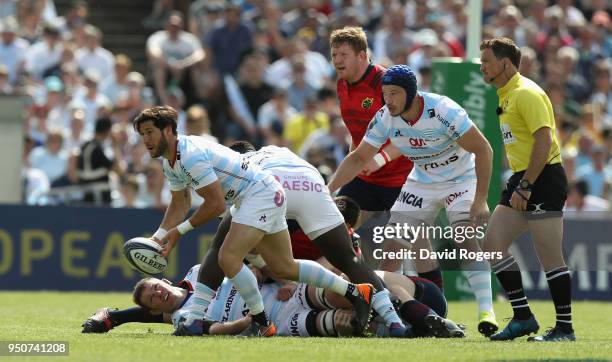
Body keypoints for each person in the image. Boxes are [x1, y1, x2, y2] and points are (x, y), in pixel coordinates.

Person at [133, 106, 373, 337]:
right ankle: (355, 292)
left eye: (150, 132)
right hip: (261, 193)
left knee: (227, 258)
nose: (146, 140)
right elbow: (180, 203)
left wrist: (178, 231)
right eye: (143, 134)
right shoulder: (171, 161)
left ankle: (260, 321)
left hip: (258, 194)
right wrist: (158, 237)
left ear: (168, 131)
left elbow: (215, 205)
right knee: (284, 267)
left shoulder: (189, 155)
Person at [327, 64, 498, 337]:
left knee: (463, 234)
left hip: (460, 180)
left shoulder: (443, 110)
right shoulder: (385, 117)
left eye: (394, 94)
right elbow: (359, 157)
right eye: (385, 94)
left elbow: (484, 149)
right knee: (392, 251)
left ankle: (486, 311)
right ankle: (393, 318)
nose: (388, 100)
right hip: (421, 182)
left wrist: (480, 199)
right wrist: (330, 189)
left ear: (411, 94)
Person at [175, 141, 412, 337]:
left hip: (269, 186)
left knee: (221, 251)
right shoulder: (277, 150)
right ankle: (393, 320)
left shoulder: (241, 169)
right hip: (309, 182)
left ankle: (196, 318)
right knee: (341, 260)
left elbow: (243, 244)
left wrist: (178, 230)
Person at [479, 37, 575, 342]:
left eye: (486, 62)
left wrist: (526, 185)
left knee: (549, 257)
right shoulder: (506, 94)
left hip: (542, 178)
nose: (482, 67)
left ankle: (564, 328)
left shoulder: (526, 93)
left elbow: (544, 142)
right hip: (524, 178)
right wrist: (521, 183)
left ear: (505, 63)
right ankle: (523, 317)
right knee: (492, 243)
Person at [82, 265, 463, 338]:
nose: (158, 293)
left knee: (339, 289)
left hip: (285, 291)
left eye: (155, 286)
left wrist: (279, 278)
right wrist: (248, 322)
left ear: (164, 280)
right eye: (153, 298)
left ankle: (413, 311)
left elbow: (255, 269)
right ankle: (415, 325)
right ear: (155, 309)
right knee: (346, 324)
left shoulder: (201, 271)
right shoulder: (184, 322)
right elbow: (216, 329)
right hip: (283, 317)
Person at [330, 26, 413, 228]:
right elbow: (358, 137)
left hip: (401, 180)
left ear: (361, 55)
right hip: (364, 178)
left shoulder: (385, 84)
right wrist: (329, 188)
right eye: (334, 54)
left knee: (412, 248)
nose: (337, 60)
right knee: (337, 231)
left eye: (343, 54)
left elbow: (409, 135)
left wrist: (379, 159)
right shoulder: (341, 85)